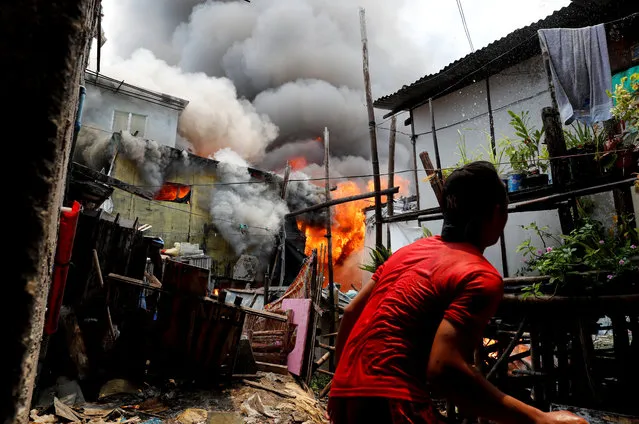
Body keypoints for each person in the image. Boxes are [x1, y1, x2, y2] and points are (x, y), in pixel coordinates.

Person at [328, 161, 587, 424]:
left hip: (342, 393)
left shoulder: (408, 253)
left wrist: (346, 380)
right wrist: (539, 418)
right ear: (498, 212)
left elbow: (350, 312)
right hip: (393, 400)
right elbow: (444, 369)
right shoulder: (480, 275)